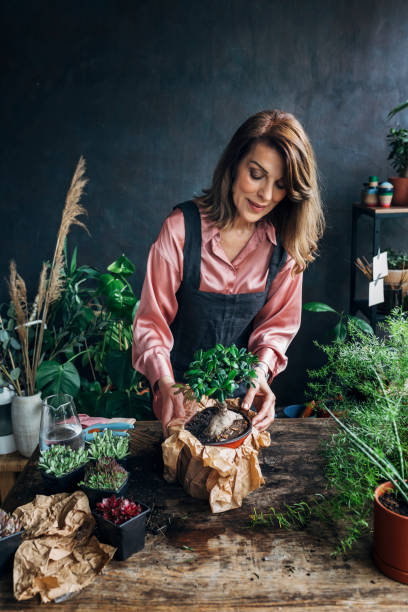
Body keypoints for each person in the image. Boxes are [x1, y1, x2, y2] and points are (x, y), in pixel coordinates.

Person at [133, 109, 324, 436]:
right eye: (256, 174)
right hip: (176, 402)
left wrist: (260, 372)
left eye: (280, 185)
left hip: (239, 408)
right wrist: (165, 385)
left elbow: (276, 327)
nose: (266, 195)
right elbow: (151, 323)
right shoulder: (181, 230)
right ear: (234, 164)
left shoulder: (284, 246)